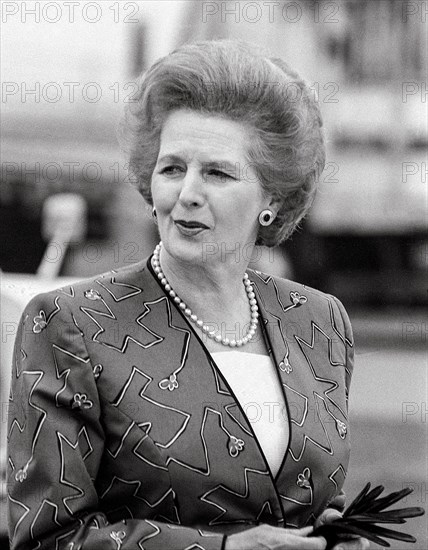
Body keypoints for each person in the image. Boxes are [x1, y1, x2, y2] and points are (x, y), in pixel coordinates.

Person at [7, 40, 369, 550]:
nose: (187, 193)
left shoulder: (317, 320)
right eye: (172, 168)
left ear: (272, 197)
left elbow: (314, 497)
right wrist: (222, 548)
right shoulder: (70, 323)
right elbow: (47, 537)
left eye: (217, 173)